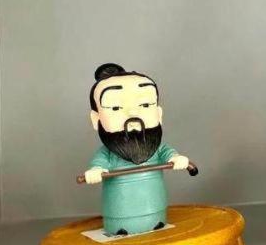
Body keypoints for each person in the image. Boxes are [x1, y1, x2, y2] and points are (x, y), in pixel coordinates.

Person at [82, 63, 191, 235]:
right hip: (120, 208)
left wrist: (175, 158)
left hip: (154, 203)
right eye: (116, 107)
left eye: (145, 105)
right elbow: (99, 163)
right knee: (121, 227)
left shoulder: (156, 147)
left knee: (158, 225)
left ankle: (155, 223)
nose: (133, 114)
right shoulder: (108, 153)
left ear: (159, 114)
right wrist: (96, 170)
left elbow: (166, 152)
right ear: (96, 119)